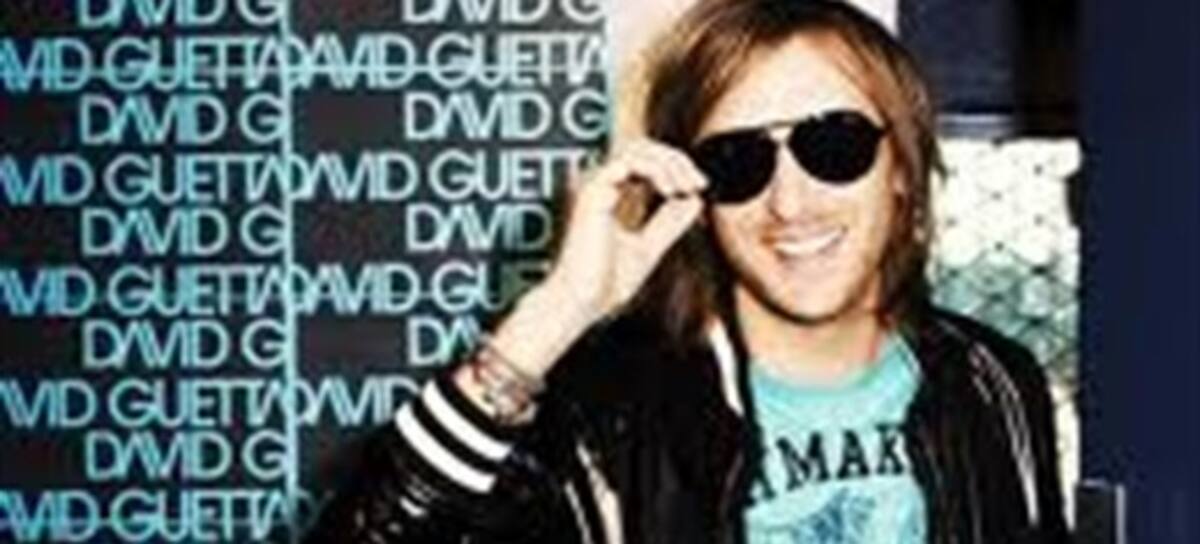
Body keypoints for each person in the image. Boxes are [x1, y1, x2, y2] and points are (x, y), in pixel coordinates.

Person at [305, 0, 1070, 542]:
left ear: (900, 166)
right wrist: (556, 312)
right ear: (696, 193)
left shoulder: (991, 382)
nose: (789, 201)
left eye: (833, 146)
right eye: (737, 161)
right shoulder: (609, 412)